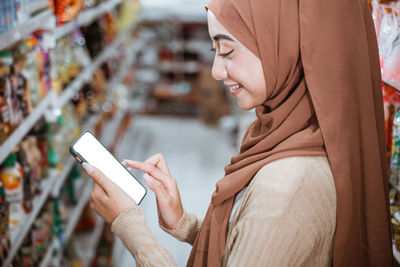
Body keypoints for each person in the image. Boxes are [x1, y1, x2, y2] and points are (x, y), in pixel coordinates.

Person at [82, 0, 393, 266]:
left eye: (227, 51)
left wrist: (130, 225)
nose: (216, 71)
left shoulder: (285, 189)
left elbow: (272, 223)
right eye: (213, 49)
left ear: (283, 47)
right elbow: (262, 247)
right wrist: (184, 224)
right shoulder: (296, 134)